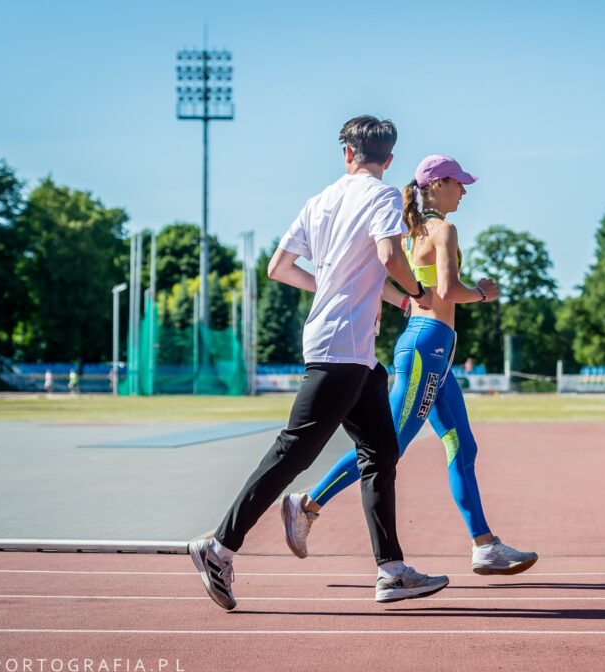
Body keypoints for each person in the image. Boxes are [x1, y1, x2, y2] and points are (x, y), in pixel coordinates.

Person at [188, 116, 449, 609]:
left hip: (349, 350)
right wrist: (416, 291)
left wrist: (382, 299)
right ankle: (218, 547)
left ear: (346, 153)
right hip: (341, 350)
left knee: (380, 452)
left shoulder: (320, 200)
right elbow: (390, 254)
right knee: (293, 452)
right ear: (388, 159)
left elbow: (280, 268)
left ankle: (391, 570)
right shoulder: (385, 195)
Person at [282, 154, 538, 576]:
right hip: (426, 347)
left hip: (434, 351)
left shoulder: (407, 231)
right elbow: (449, 290)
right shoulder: (444, 230)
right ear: (437, 185)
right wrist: (484, 293)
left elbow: (396, 279)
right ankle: (307, 504)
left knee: (462, 446)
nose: (465, 190)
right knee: (389, 445)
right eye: (459, 182)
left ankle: (485, 545)